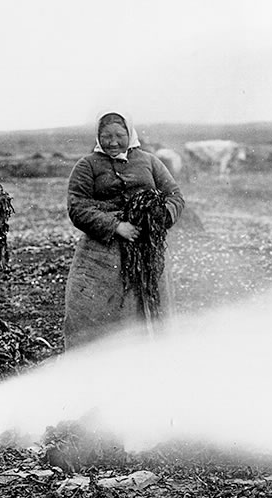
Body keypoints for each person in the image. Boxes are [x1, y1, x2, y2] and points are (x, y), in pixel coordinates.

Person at [63, 111, 185, 349]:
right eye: (106, 136)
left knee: (148, 310)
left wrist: (157, 218)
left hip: (147, 250)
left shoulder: (149, 161)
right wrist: (116, 226)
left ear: (130, 134)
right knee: (93, 311)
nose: (113, 142)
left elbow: (175, 196)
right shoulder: (86, 165)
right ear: (98, 137)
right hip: (100, 254)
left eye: (119, 135)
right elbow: (77, 206)